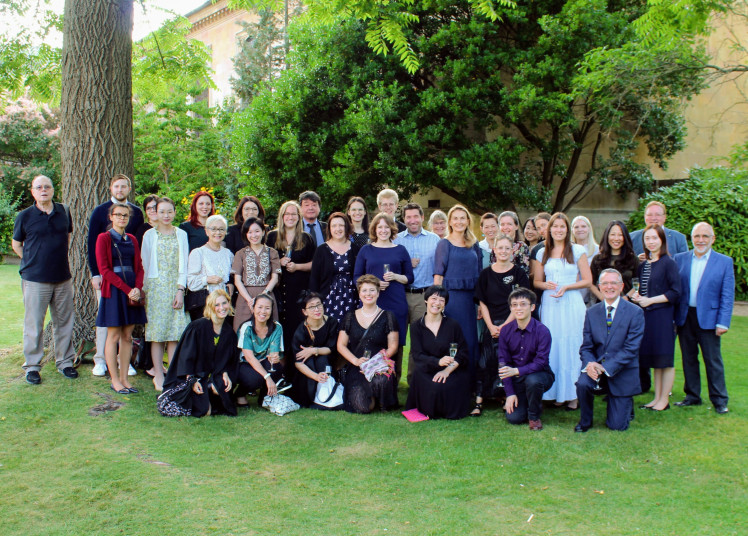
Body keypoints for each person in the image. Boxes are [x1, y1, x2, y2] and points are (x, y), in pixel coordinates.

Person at [12, 175, 76, 384]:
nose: (43, 190)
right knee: (34, 324)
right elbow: (16, 244)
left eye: (47, 186)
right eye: (38, 187)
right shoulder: (24, 216)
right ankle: (32, 366)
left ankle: (65, 362)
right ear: (33, 192)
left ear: (52, 190)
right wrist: (32, 261)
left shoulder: (64, 212)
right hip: (35, 280)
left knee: (64, 322)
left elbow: (67, 238)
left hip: (62, 278)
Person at [532, 212, 592, 410]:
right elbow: (536, 282)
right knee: (554, 346)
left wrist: (567, 286)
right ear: (549, 229)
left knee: (573, 345)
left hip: (571, 303)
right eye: (555, 226)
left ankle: (574, 395)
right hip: (551, 305)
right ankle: (556, 392)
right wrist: (546, 285)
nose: (558, 230)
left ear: (567, 230)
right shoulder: (543, 252)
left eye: (562, 227)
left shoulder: (577, 250)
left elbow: (588, 280)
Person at [673, 222, 734, 414]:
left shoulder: (724, 262)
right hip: (685, 316)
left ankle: (719, 400)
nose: (700, 240)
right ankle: (692, 396)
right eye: (696, 236)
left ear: (712, 239)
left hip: (709, 318)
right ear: (691, 238)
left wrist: (723, 321)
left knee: (712, 360)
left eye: (705, 236)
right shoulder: (680, 259)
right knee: (688, 358)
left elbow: (727, 294)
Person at [87, 174, 144, 377]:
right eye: (116, 186)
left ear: (129, 188)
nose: (120, 190)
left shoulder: (136, 213)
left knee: (126, 325)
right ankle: (101, 360)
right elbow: (92, 244)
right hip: (107, 279)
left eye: (124, 186)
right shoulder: (100, 212)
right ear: (111, 188)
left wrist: (136, 286)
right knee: (107, 321)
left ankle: (124, 361)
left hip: (130, 279)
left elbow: (136, 252)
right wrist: (95, 274)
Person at [575, 269, 645, 432]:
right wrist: (591, 364)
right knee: (583, 384)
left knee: (617, 426)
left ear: (621, 286)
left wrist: (605, 368)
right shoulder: (591, 312)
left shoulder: (635, 312)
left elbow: (631, 349)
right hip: (596, 367)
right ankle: (585, 421)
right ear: (599, 287)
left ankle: (626, 402)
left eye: (614, 283)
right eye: (605, 283)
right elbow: (586, 346)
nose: (609, 287)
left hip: (621, 371)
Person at [473, 234, 531, 416]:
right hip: (491, 325)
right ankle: (479, 400)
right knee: (485, 362)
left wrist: (506, 326)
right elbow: (482, 302)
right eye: (500, 248)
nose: (504, 251)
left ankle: (507, 396)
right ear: (494, 250)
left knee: (508, 361)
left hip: (513, 325)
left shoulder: (519, 274)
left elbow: (521, 302)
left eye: (507, 248)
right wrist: (490, 326)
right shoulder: (486, 274)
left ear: (513, 251)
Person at [159, 289, 240, 417]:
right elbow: (186, 356)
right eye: (217, 305)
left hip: (214, 373)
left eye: (224, 303)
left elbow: (228, 358)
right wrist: (191, 379)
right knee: (205, 411)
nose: (221, 308)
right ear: (210, 307)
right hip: (194, 374)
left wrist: (225, 373)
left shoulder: (229, 332)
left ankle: (211, 391)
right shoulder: (197, 327)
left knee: (222, 388)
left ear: (229, 304)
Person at [354, 212, 414, 381]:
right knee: (373, 339)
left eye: (386, 227)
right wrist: (374, 284)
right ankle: (371, 379)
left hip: (396, 302)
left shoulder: (401, 250)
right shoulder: (366, 250)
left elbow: (409, 278)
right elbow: (357, 277)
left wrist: (395, 276)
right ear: (374, 229)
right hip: (373, 302)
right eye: (379, 227)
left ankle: (392, 381)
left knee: (396, 343)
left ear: (392, 229)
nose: (383, 230)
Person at [95, 203, 147, 394]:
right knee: (114, 335)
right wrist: (127, 289)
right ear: (111, 217)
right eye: (118, 215)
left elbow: (139, 267)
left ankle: (125, 379)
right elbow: (104, 270)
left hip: (132, 292)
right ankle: (114, 380)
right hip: (115, 292)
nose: (122, 218)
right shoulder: (104, 238)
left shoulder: (132, 239)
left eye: (125, 215)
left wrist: (137, 289)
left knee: (128, 336)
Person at [141, 197, 190, 391]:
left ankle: (172, 373)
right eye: (162, 212)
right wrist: (144, 290)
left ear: (175, 212)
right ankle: (158, 375)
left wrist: (180, 289)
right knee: (157, 333)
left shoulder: (181, 234)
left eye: (170, 211)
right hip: (155, 288)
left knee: (174, 333)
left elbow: (184, 264)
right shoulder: (149, 235)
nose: (166, 215)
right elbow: (144, 264)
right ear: (155, 213)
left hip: (174, 287)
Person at [630, 225, 680, 411]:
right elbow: (641, 289)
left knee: (665, 359)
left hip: (663, 316)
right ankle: (656, 398)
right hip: (647, 317)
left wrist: (650, 300)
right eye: (647, 238)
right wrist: (637, 297)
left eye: (654, 238)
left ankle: (664, 400)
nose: (651, 242)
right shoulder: (643, 265)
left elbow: (675, 292)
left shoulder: (669, 263)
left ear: (662, 240)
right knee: (655, 360)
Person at [405, 286, 471, 419]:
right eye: (433, 299)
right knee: (435, 387)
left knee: (447, 386)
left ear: (445, 304)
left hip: (452, 369)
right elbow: (417, 355)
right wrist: (437, 362)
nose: (437, 303)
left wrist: (446, 370)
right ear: (426, 301)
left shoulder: (453, 325)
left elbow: (463, 353)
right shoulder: (416, 327)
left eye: (441, 300)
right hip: (426, 370)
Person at [337, 275, 399, 413]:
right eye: (364, 290)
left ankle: (380, 398)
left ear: (378, 293)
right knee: (362, 408)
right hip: (358, 366)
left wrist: (376, 363)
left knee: (380, 380)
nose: (368, 294)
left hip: (380, 366)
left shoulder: (388, 316)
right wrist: (356, 361)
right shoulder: (350, 316)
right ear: (359, 294)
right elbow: (341, 345)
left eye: (372, 290)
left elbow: (393, 346)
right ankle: (371, 398)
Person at [433, 205, 482, 380]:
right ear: (450, 222)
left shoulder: (473, 244)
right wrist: (437, 303)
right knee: (453, 341)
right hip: (451, 300)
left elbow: (478, 275)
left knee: (470, 341)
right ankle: (452, 382)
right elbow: (438, 276)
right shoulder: (444, 244)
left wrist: (480, 304)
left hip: (470, 301)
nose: (459, 221)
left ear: (468, 221)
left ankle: (470, 385)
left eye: (463, 218)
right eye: (456, 218)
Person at [394, 202, 441, 383]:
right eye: (408, 217)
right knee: (396, 339)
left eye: (415, 216)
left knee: (420, 341)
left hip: (424, 296)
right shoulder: (396, 239)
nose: (412, 220)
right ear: (404, 220)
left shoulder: (434, 240)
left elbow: (440, 268)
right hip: (400, 295)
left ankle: (416, 381)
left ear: (422, 217)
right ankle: (393, 380)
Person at [266, 201, 315, 367]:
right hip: (278, 292)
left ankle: (297, 374)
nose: (290, 217)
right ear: (282, 216)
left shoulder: (306, 238)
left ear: (299, 217)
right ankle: (280, 373)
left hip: (298, 292)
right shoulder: (272, 237)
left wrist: (297, 266)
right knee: (279, 333)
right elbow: (264, 263)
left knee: (295, 331)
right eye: (287, 214)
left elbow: (314, 264)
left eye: (294, 214)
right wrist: (278, 262)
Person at [499, 288, 555, 430]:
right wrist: (510, 394)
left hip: (540, 375)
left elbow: (540, 362)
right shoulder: (505, 331)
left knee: (533, 381)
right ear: (511, 307)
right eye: (515, 304)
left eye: (523, 304)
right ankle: (529, 402)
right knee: (514, 418)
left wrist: (516, 370)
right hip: (517, 379)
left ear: (532, 307)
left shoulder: (542, 331)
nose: (519, 308)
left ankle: (534, 417)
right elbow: (503, 364)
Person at [235, 293, 288, 406]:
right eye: (260, 307)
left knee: (276, 368)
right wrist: (267, 377)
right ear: (253, 308)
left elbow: (273, 354)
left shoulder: (276, 327)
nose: (263, 311)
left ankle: (265, 398)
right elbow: (249, 357)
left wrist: (274, 358)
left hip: (264, 361)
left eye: (267, 308)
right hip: (246, 363)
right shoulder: (246, 327)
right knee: (255, 379)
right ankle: (239, 393)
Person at [291, 292, 341, 408]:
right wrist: (316, 376)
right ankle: (312, 396)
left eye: (319, 305)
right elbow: (298, 362)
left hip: (327, 361)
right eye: (312, 307)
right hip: (307, 369)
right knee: (308, 361)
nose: (317, 309)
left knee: (322, 360)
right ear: (304, 312)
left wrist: (313, 351)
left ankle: (327, 395)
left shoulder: (332, 322)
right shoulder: (301, 331)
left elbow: (331, 348)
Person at [309, 212, 360, 323]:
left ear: (347, 227)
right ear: (329, 229)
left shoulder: (355, 249)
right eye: (334, 226)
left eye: (341, 225)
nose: (338, 229)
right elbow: (314, 279)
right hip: (328, 299)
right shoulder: (322, 250)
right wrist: (315, 303)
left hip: (351, 298)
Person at [231, 217, 281, 330]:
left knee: (268, 330)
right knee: (243, 330)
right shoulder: (240, 254)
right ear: (246, 234)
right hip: (245, 298)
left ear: (263, 232)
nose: (254, 235)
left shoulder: (272, 252)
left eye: (257, 231)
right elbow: (237, 280)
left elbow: (274, 278)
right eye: (250, 232)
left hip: (267, 296)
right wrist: (249, 300)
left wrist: (263, 296)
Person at [186, 214, 234, 321]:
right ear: (207, 231)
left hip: (224, 306)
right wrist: (207, 279)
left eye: (221, 229)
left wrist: (230, 283)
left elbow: (231, 277)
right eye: (213, 229)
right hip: (204, 304)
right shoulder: (198, 253)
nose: (218, 232)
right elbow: (191, 282)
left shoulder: (228, 254)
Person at [589, 220, 639, 301]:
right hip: (603, 304)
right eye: (613, 234)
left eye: (620, 235)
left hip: (627, 304)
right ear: (607, 236)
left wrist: (626, 297)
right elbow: (591, 283)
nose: (616, 238)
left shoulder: (633, 259)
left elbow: (638, 282)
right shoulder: (597, 259)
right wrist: (602, 297)